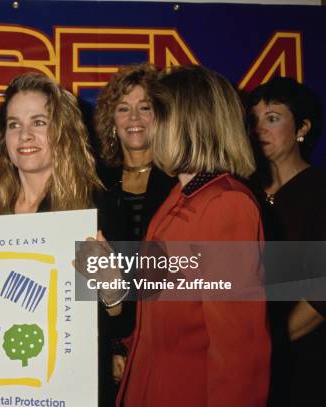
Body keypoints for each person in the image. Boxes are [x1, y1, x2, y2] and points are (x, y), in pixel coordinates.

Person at [82, 65, 271, 407]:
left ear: (189, 123)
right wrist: (113, 287)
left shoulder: (227, 204)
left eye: (157, 113)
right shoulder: (179, 196)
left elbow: (240, 351)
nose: (145, 124)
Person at [94, 63, 177, 404]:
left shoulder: (179, 179)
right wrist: (114, 346)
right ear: (111, 120)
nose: (134, 118)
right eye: (124, 108)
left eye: (145, 108)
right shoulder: (96, 182)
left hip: (168, 336)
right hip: (108, 332)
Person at [247, 76, 325, 407]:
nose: (260, 129)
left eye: (273, 118)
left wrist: (272, 343)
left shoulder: (320, 190)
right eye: (254, 120)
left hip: (305, 361)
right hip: (249, 363)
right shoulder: (243, 192)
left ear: (302, 128)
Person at [0, 72, 101, 215]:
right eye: (14, 124)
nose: (24, 135)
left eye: (38, 122)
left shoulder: (97, 208)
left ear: (64, 132)